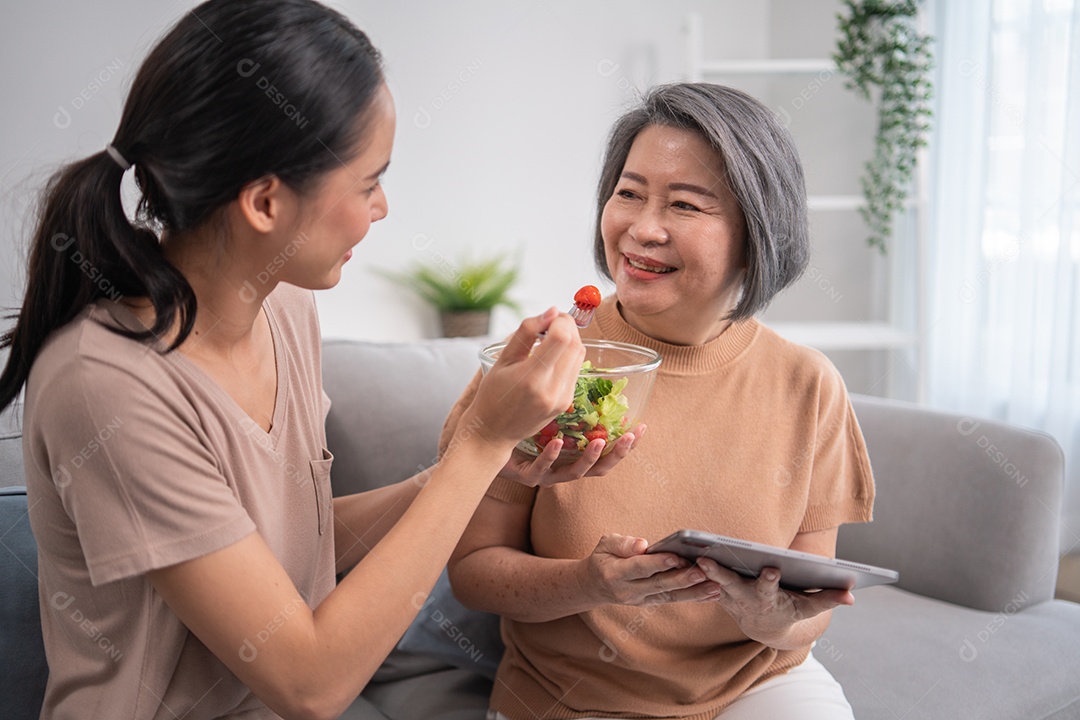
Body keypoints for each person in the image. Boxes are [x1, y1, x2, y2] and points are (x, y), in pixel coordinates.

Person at [0, 2, 624, 718]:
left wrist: (490, 463)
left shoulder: (285, 306)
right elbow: (309, 683)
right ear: (266, 201)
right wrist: (477, 445)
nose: (382, 208)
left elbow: (291, 548)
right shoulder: (107, 385)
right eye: (367, 183)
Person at [445, 82, 876, 720]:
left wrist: (773, 620)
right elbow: (473, 573)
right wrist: (588, 583)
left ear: (757, 232)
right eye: (629, 193)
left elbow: (808, 612)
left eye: (685, 205)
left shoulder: (808, 384)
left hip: (757, 686)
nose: (642, 229)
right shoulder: (540, 364)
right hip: (573, 697)